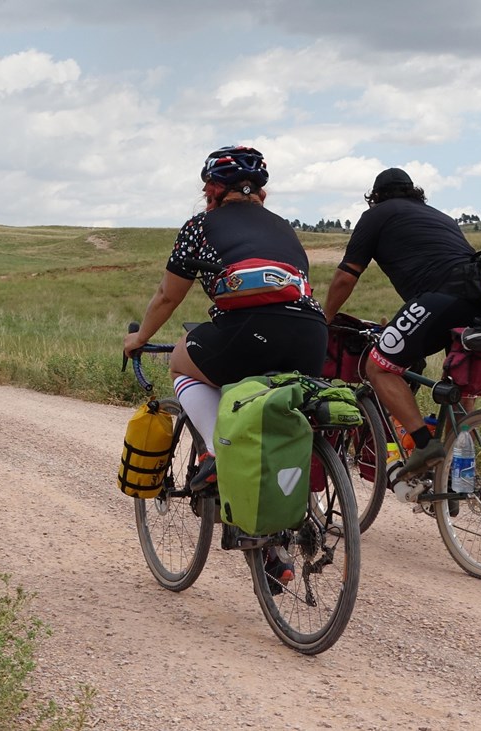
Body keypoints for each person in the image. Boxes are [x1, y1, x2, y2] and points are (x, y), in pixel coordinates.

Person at [123, 146, 327, 587]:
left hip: (247, 329)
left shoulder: (199, 226)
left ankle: (216, 451)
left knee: (181, 363)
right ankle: (272, 546)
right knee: (268, 417)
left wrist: (138, 339)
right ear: (262, 193)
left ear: (211, 190)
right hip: (312, 334)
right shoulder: (285, 229)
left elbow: (167, 295)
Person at [321, 167, 481, 491]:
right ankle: (458, 474)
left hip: (440, 298)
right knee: (459, 380)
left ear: (376, 197)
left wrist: (324, 318)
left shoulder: (376, 216)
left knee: (378, 366)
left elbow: (346, 276)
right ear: (415, 192)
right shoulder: (440, 216)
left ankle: (425, 445)